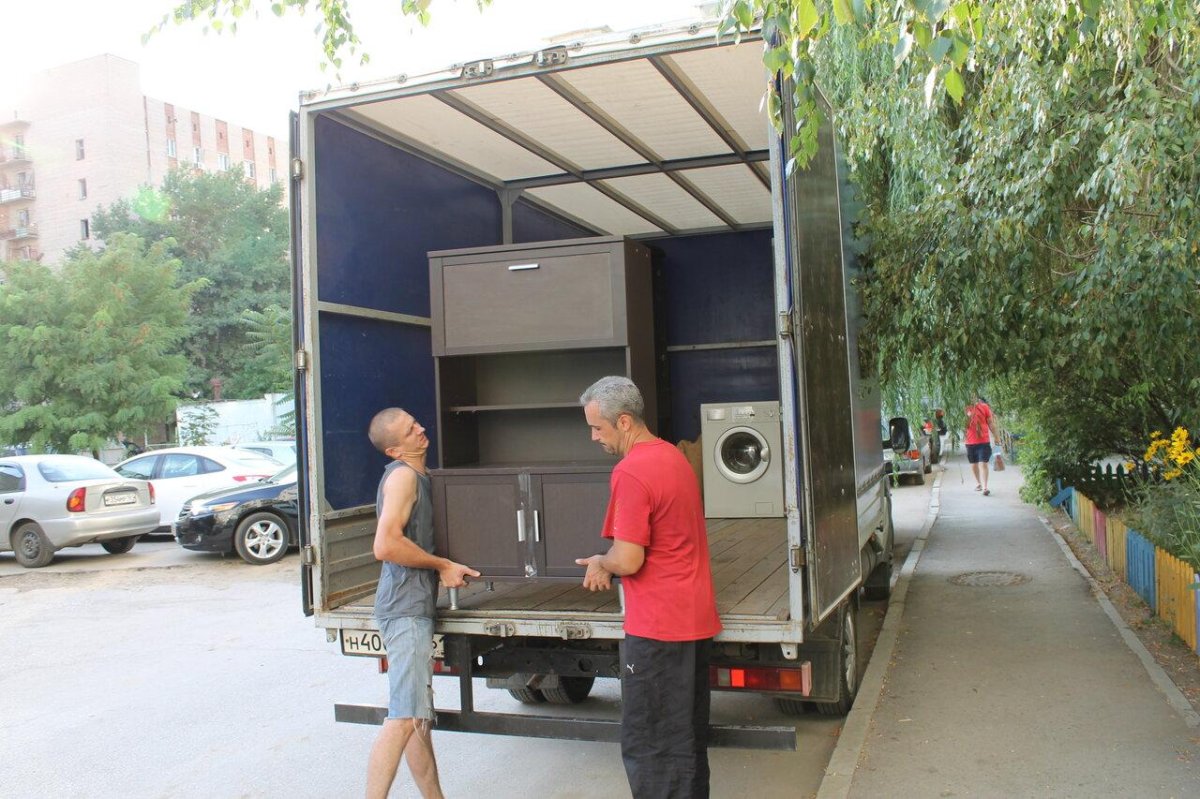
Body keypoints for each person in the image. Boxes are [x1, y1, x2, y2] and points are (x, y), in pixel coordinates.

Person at [574, 376, 722, 799]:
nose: (593, 437)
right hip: (691, 622)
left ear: (623, 421)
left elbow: (628, 559)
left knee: (651, 747)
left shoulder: (632, 470)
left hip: (658, 630)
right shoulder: (672, 457)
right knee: (685, 743)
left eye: (597, 428)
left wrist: (601, 563)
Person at [364, 408, 479, 799]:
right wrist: (442, 565)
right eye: (410, 430)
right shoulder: (403, 477)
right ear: (395, 450)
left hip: (410, 606)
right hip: (405, 608)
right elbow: (385, 545)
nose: (421, 429)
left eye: (416, 423)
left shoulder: (418, 475)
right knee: (403, 718)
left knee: (415, 718)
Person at [965, 395, 1000, 496]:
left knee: (983, 463)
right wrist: (968, 416)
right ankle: (978, 483)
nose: (972, 397)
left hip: (983, 441)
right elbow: (963, 425)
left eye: (973, 395)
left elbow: (991, 423)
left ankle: (985, 487)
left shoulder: (984, 407)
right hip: (970, 441)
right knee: (974, 464)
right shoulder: (965, 408)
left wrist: (996, 436)